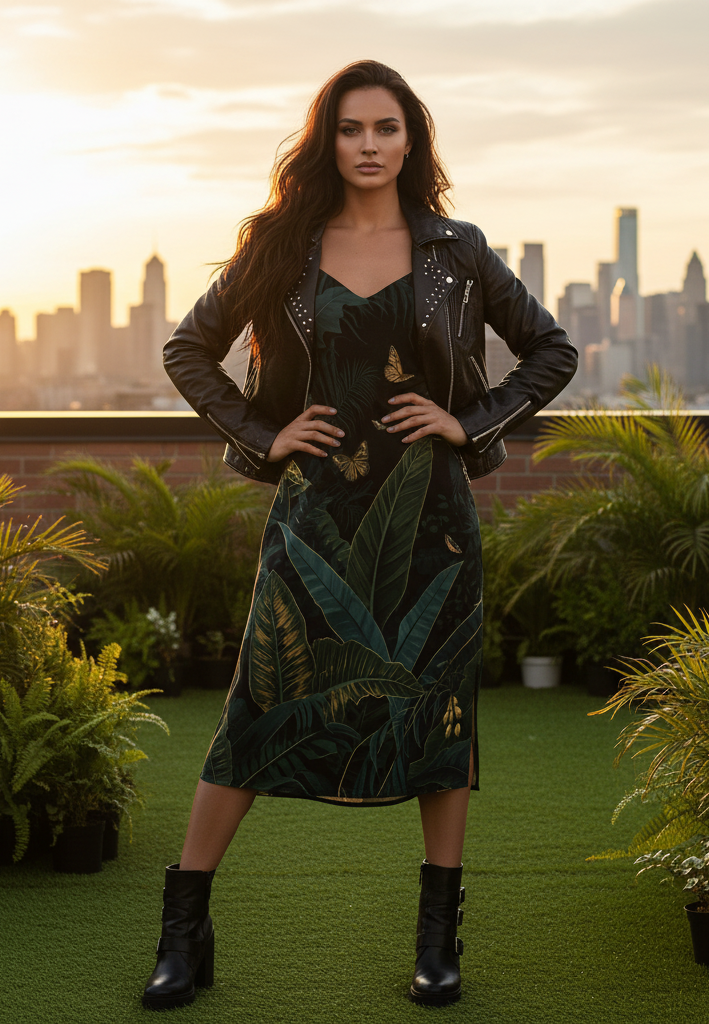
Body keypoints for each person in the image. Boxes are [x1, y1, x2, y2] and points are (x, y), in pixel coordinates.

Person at [143, 59, 578, 1011]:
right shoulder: (281, 243)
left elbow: (553, 350)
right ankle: (184, 932)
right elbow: (188, 349)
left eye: (387, 128)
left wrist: (474, 423)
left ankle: (438, 940)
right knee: (258, 707)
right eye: (351, 129)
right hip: (313, 523)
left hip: (433, 523)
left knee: (436, 715)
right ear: (327, 141)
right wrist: (264, 436)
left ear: (411, 140)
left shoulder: (458, 251)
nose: (370, 145)